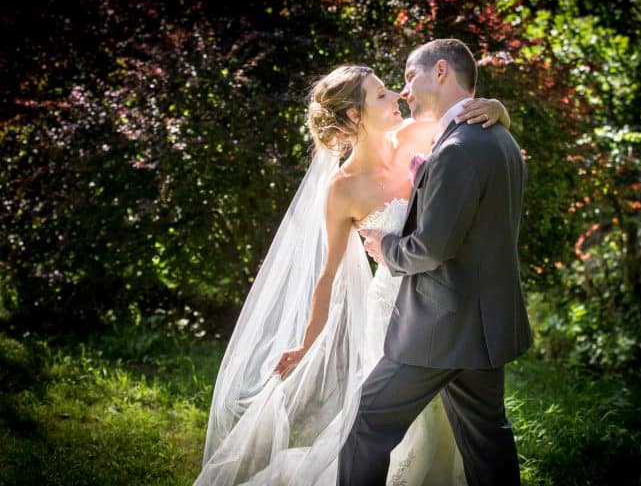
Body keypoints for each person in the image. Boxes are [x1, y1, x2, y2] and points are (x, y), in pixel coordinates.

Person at [195, 63, 510, 485]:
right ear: (354, 116)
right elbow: (328, 275)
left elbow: (465, 122)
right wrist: (307, 342)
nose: (398, 97)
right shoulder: (343, 189)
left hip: (451, 302)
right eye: (381, 95)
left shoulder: (417, 136)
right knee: (394, 425)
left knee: (458, 426)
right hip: (395, 313)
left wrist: (497, 108)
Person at [341, 38, 533, 486]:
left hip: (440, 326)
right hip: (483, 329)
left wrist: (384, 247)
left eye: (410, 76)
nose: (405, 90)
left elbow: (430, 248)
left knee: (368, 423)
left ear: (441, 71)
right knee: (487, 441)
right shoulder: (499, 137)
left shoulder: (458, 149)